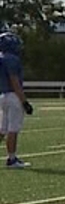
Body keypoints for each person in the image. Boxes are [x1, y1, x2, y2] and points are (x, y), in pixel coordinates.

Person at [1, 30, 30, 168]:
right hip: (13, 95)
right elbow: (14, 81)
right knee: (13, 129)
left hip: (3, 95)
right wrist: (24, 101)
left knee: (2, 128)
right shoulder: (12, 59)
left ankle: (11, 158)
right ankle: (12, 159)